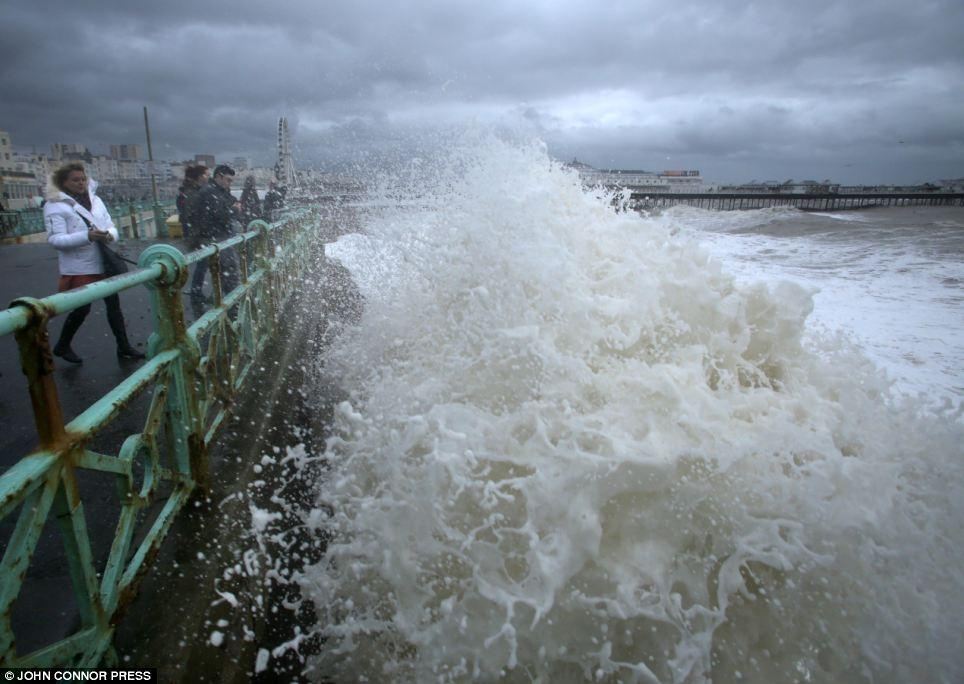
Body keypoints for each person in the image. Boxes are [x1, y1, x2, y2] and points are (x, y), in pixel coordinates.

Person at [44, 161, 145, 363]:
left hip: (104, 262)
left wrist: (109, 235)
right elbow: (55, 240)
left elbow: (110, 225)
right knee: (82, 308)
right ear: (63, 182)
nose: (81, 183)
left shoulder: (96, 200)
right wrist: (87, 236)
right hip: (80, 266)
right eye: (75, 180)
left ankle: (123, 347)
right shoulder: (54, 206)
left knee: (113, 305)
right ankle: (63, 345)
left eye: (83, 179)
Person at [191, 164, 241, 295]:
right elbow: (222, 216)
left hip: (212, 236)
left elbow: (226, 204)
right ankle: (232, 300)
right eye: (228, 180)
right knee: (228, 269)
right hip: (214, 237)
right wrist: (235, 209)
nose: (229, 184)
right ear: (219, 176)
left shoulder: (215, 190)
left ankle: (202, 293)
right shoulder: (211, 192)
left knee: (206, 267)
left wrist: (234, 204)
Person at [177, 164, 210, 299]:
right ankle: (196, 292)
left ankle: (197, 290)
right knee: (203, 262)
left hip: (197, 233)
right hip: (198, 234)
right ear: (200, 177)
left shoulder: (191, 191)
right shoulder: (192, 193)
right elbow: (192, 216)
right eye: (207, 174)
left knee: (203, 262)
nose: (209, 177)